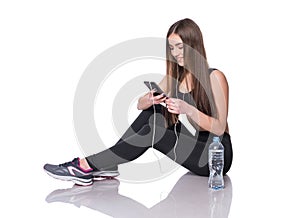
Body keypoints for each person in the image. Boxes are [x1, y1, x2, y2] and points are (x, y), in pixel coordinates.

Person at [44, 18, 233, 186]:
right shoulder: (175, 77)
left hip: (215, 156)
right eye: (171, 48)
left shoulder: (215, 77)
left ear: (193, 45)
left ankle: (85, 165)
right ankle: (108, 164)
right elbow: (140, 105)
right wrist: (148, 99)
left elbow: (218, 127)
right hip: (195, 145)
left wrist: (188, 109)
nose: (175, 53)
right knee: (154, 113)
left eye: (180, 47)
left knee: (155, 133)